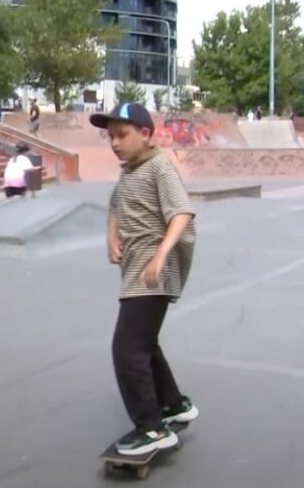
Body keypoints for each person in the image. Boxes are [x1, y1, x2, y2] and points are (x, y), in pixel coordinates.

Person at [89, 102, 199, 456]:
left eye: (122, 135)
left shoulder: (159, 167)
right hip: (136, 270)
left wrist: (161, 254)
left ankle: (151, 428)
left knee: (126, 349)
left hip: (152, 275)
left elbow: (182, 212)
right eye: (110, 137)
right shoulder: (130, 171)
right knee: (145, 344)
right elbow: (115, 205)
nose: (115, 143)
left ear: (146, 134)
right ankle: (174, 405)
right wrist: (111, 235)